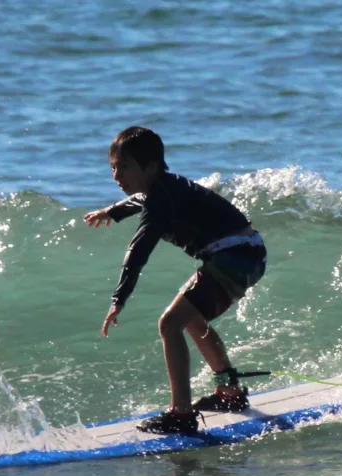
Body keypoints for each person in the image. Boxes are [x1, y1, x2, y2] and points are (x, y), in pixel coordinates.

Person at [84, 126, 267, 435]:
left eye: (124, 167)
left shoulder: (160, 200)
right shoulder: (163, 187)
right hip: (246, 252)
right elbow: (140, 200)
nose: (116, 175)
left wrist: (118, 300)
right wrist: (112, 212)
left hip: (235, 256)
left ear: (150, 167)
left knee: (170, 324)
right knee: (191, 319)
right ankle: (230, 393)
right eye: (113, 167)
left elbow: (137, 252)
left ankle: (181, 414)